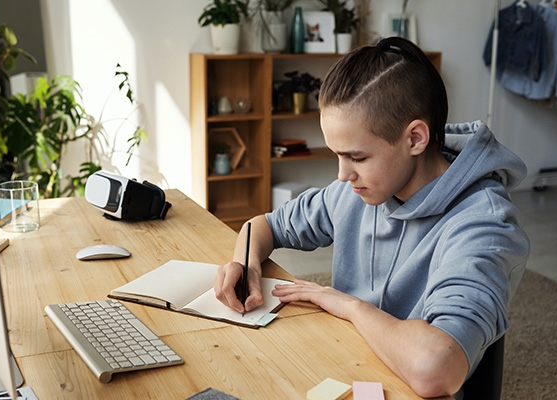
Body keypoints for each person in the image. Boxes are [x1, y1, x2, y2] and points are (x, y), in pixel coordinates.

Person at [213, 36, 530, 399]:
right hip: (346, 367)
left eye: (357, 157)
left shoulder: (483, 226)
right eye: (336, 155)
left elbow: (436, 368)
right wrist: (246, 264)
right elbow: (262, 226)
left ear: (415, 138)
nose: (341, 174)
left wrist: (346, 304)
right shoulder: (358, 189)